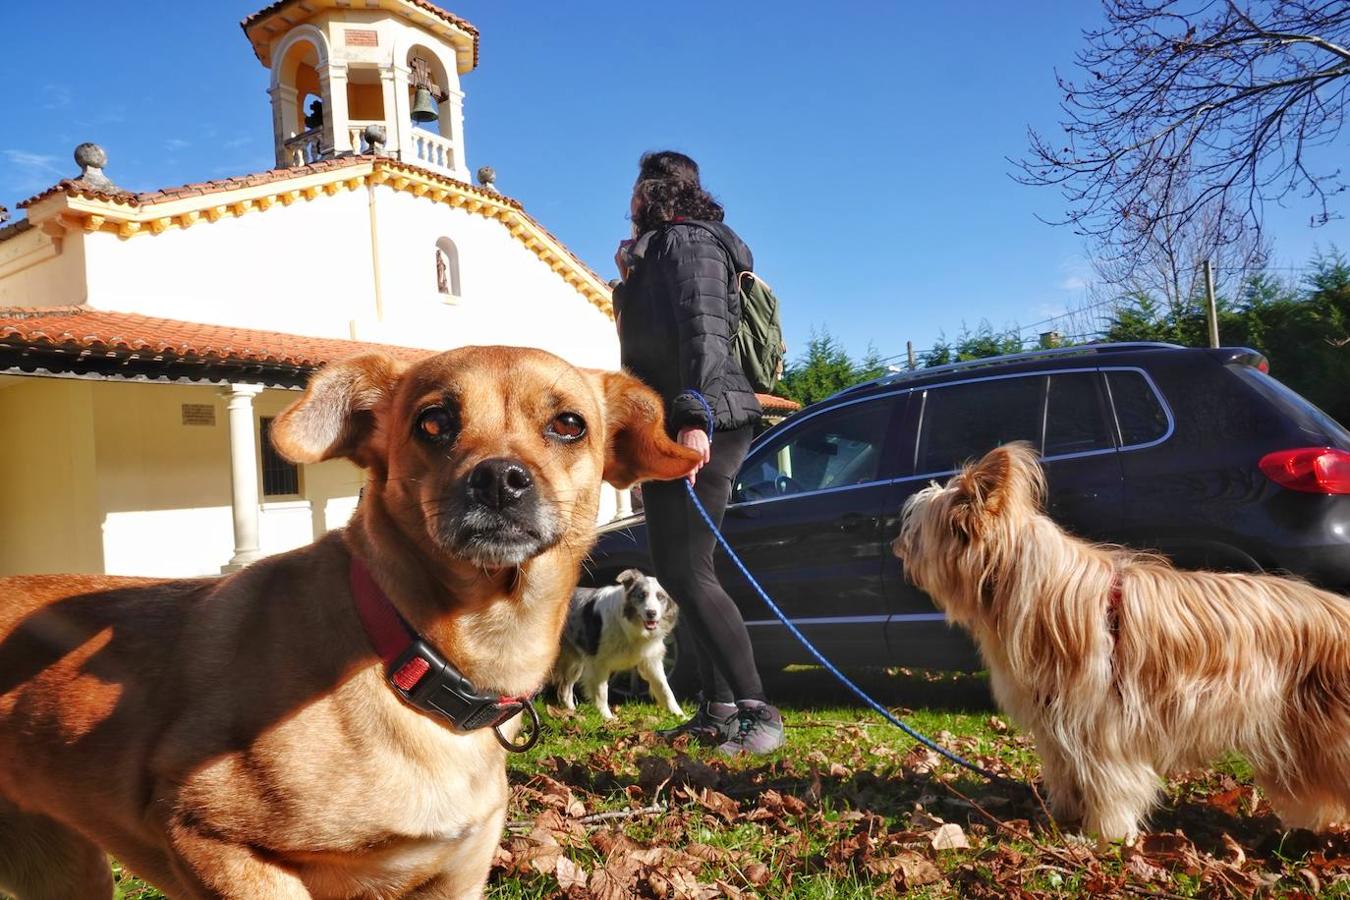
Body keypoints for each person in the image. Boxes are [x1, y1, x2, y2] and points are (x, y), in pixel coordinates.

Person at [610, 151, 783, 755]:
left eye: (636, 186)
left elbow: (702, 335)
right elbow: (647, 348)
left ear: (655, 190)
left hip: (707, 419)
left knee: (689, 569)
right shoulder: (655, 252)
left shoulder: (689, 244)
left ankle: (757, 712)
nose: (628, 196)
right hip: (667, 426)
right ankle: (718, 710)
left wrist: (692, 419)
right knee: (676, 567)